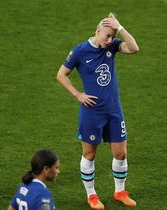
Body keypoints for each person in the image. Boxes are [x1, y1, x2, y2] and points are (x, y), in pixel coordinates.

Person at [56, 13, 139, 209]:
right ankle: (91, 195)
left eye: (112, 36)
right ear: (98, 31)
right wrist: (78, 95)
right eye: (107, 36)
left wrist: (119, 27)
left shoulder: (112, 45)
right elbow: (61, 75)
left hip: (114, 110)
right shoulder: (80, 51)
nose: (110, 40)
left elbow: (134, 48)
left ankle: (120, 191)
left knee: (121, 154)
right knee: (90, 154)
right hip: (92, 112)